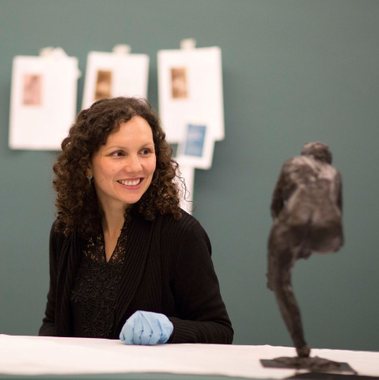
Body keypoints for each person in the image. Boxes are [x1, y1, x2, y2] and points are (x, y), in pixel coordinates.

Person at [39, 97, 233, 345]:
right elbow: (53, 322)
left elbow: (220, 331)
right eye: (118, 154)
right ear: (87, 163)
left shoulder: (181, 233)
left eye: (145, 151)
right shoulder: (66, 231)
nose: (136, 167)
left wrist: (170, 329)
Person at [267, 142, 343, 358]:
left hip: (293, 224)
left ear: (306, 155)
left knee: (282, 283)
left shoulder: (292, 163)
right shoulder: (334, 172)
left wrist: (280, 234)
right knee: (296, 247)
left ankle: (301, 346)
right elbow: (338, 209)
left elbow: (276, 204)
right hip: (328, 233)